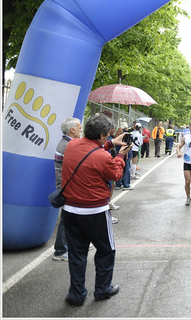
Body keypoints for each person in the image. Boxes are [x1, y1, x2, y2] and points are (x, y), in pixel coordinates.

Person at [62, 113, 133, 305]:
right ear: (102, 135)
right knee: (106, 250)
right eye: (107, 135)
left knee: (77, 254)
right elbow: (116, 175)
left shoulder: (72, 145)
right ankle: (102, 290)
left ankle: (77, 295)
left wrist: (111, 143)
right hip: (95, 212)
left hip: (70, 210)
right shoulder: (103, 157)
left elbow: (89, 151)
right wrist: (120, 155)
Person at [52, 117, 83, 262]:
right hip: (67, 187)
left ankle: (67, 247)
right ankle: (60, 251)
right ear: (72, 130)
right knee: (66, 219)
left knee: (71, 218)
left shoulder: (67, 144)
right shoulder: (67, 146)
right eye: (79, 127)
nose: (81, 129)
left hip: (66, 185)